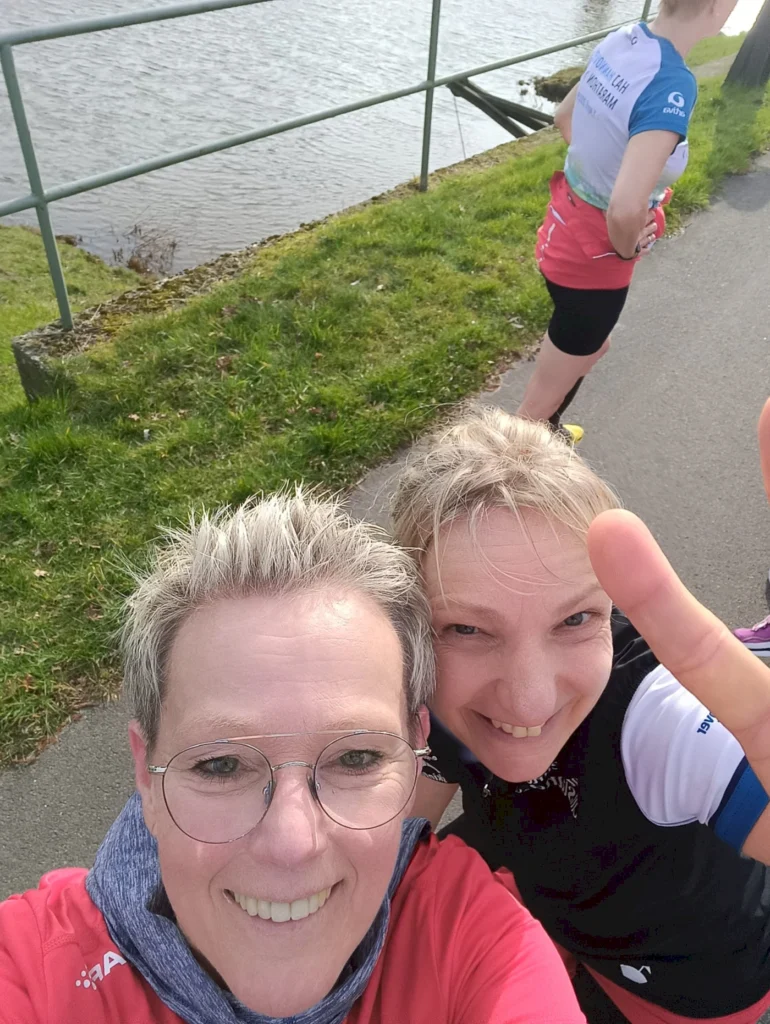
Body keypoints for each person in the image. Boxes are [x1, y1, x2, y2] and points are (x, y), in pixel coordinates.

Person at [0, 491, 585, 1024]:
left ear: (413, 761)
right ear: (145, 778)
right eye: (221, 764)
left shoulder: (468, 938)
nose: (292, 844)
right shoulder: (33, 970)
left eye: (355, 758)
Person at [391, 406, 770, 1024]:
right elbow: (391, 845)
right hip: (564, 907)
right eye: (465, 628)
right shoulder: (430, 687)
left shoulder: (656, 722)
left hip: (684, 988)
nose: (529, 699)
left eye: (576, 619)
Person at [518, 0, 737, 439]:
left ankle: (549, 435)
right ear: (716, 6)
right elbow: (623, 209)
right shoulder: (671, 83)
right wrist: (627, 246)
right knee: (532, 410)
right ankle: (514, 474)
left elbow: (564, 118)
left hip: (562, 228)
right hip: (593, 262)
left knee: (594, 344)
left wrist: (596, 175)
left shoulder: (624, 38)